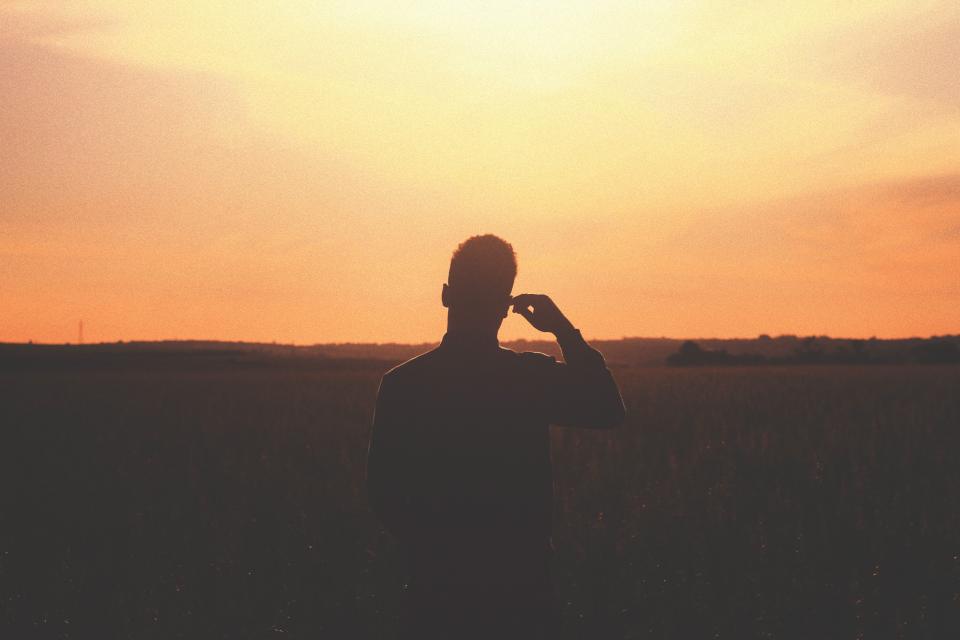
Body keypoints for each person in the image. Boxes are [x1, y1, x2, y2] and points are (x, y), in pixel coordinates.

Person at [365, 234, 625, 638]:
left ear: (446, 295)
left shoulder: (403, 384)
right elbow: (607, 409)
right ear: (507, 307)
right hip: (523, 593)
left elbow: (383, 493)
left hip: (436, 595)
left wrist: (438, 553)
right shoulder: (528, 378)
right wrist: (561, 329)